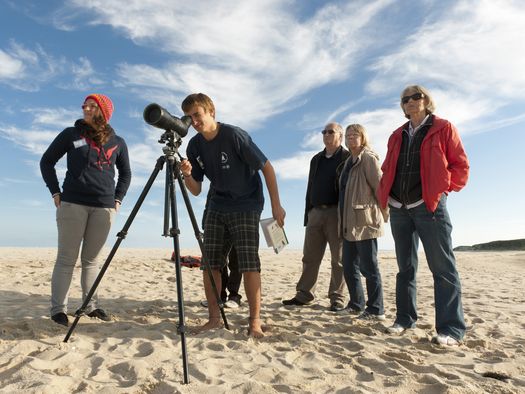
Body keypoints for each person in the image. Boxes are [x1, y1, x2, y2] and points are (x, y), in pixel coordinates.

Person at [179, 93, 285, 338]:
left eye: (197, 114)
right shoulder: (194, 146)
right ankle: (214, 319)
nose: (194, 121)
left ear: (211, 112)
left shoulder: (234, 135)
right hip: (216, 205)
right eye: (189, 117)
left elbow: (267, 168)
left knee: (249, 265)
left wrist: (276, 206)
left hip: (247, 204)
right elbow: (195, 190)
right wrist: (186, 174)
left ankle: (255, 322)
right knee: (210, 263)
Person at [377, 85, 469, 346]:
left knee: (443, 268)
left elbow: (460, 164)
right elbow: (387, 168)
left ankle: (451, 328)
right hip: (399, 208)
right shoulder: (397, 135)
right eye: (405, 99)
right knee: (405, 268)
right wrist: (386, 198)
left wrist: (442, 189)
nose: (411, 102)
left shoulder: (443, 127)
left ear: (426, 100)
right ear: (402, 106)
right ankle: (405, 319)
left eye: (416, 97)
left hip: (429, 206)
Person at [40, 94, 131, 327]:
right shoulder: (71, 134)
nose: (86, 108)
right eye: (85, 105)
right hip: (72, 204)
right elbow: (47, 161)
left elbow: (126, 173)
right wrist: (55, 191)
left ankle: (90, 306)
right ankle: (58, 310)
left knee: (91, 261)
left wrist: (118, 199)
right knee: (66, 259)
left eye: (92, 105)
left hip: (103, 208)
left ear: (103, 111)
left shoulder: (118, 141)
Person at [282, 123, 349, 311]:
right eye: (324, 132)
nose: (326, 135)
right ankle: (304, 295)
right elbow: (310, 187)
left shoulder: (347, 157)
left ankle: (337, 298)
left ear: (340, 136)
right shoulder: (316, 159)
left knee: (339, 258)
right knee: (310, 257)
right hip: (315, 213)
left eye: (331, 132)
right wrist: (308, 213)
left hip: (337, 213)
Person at [338, 124, 388, 320]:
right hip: (349, 222)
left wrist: (385, 214)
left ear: (363, 137)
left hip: (365, 221)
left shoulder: (367, 158)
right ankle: (356, 304)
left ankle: (376, 309)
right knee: (349, 266)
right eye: (348, 135)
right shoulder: (349, 161)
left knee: (369, 267)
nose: (351, 137)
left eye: (355, 134)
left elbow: (379, 187)